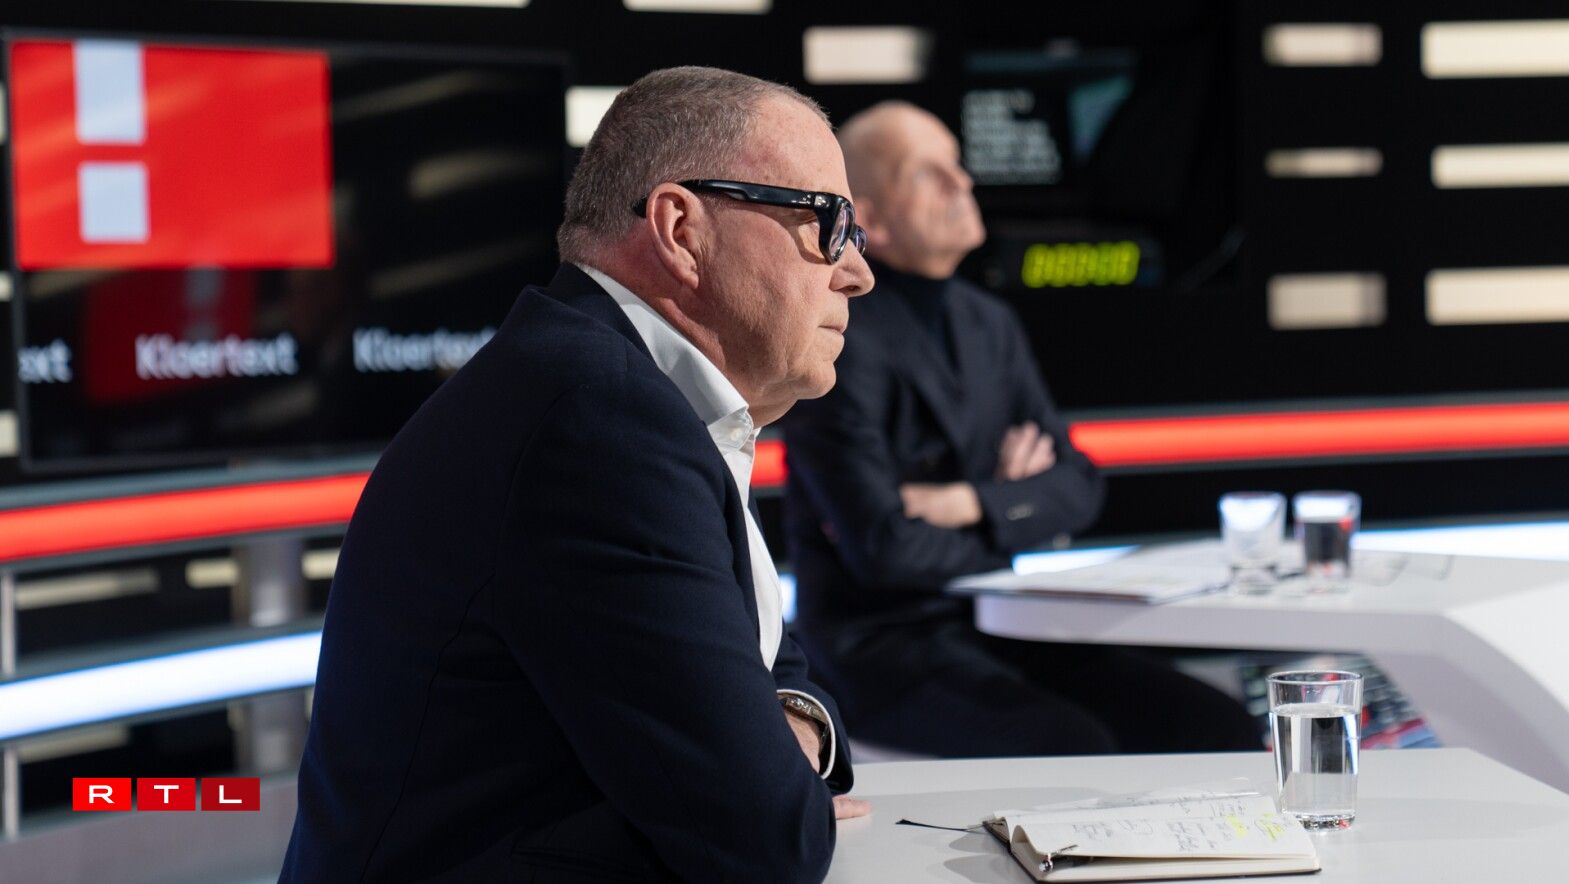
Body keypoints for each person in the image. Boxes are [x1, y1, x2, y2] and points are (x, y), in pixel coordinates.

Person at [282, 67, 875, 883]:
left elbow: (773, 663)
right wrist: (778, 749)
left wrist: (791, 723)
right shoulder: (603, 424)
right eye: (826, 222)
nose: (856, 271)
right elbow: (767, 839)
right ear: (681, 229)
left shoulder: (612, 389)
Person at [782, 101, 1260, 758]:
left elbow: (1078, 485)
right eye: (927, 174)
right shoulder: (843, 337)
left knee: (1217, 724)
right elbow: (884, 549)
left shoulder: (988, 323)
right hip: (880, 646)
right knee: (1076, 744)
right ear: (872, 220)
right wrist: (1012, 506)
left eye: (956, 164)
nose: (962, 182)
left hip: (1001, 618)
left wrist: (968, 502)